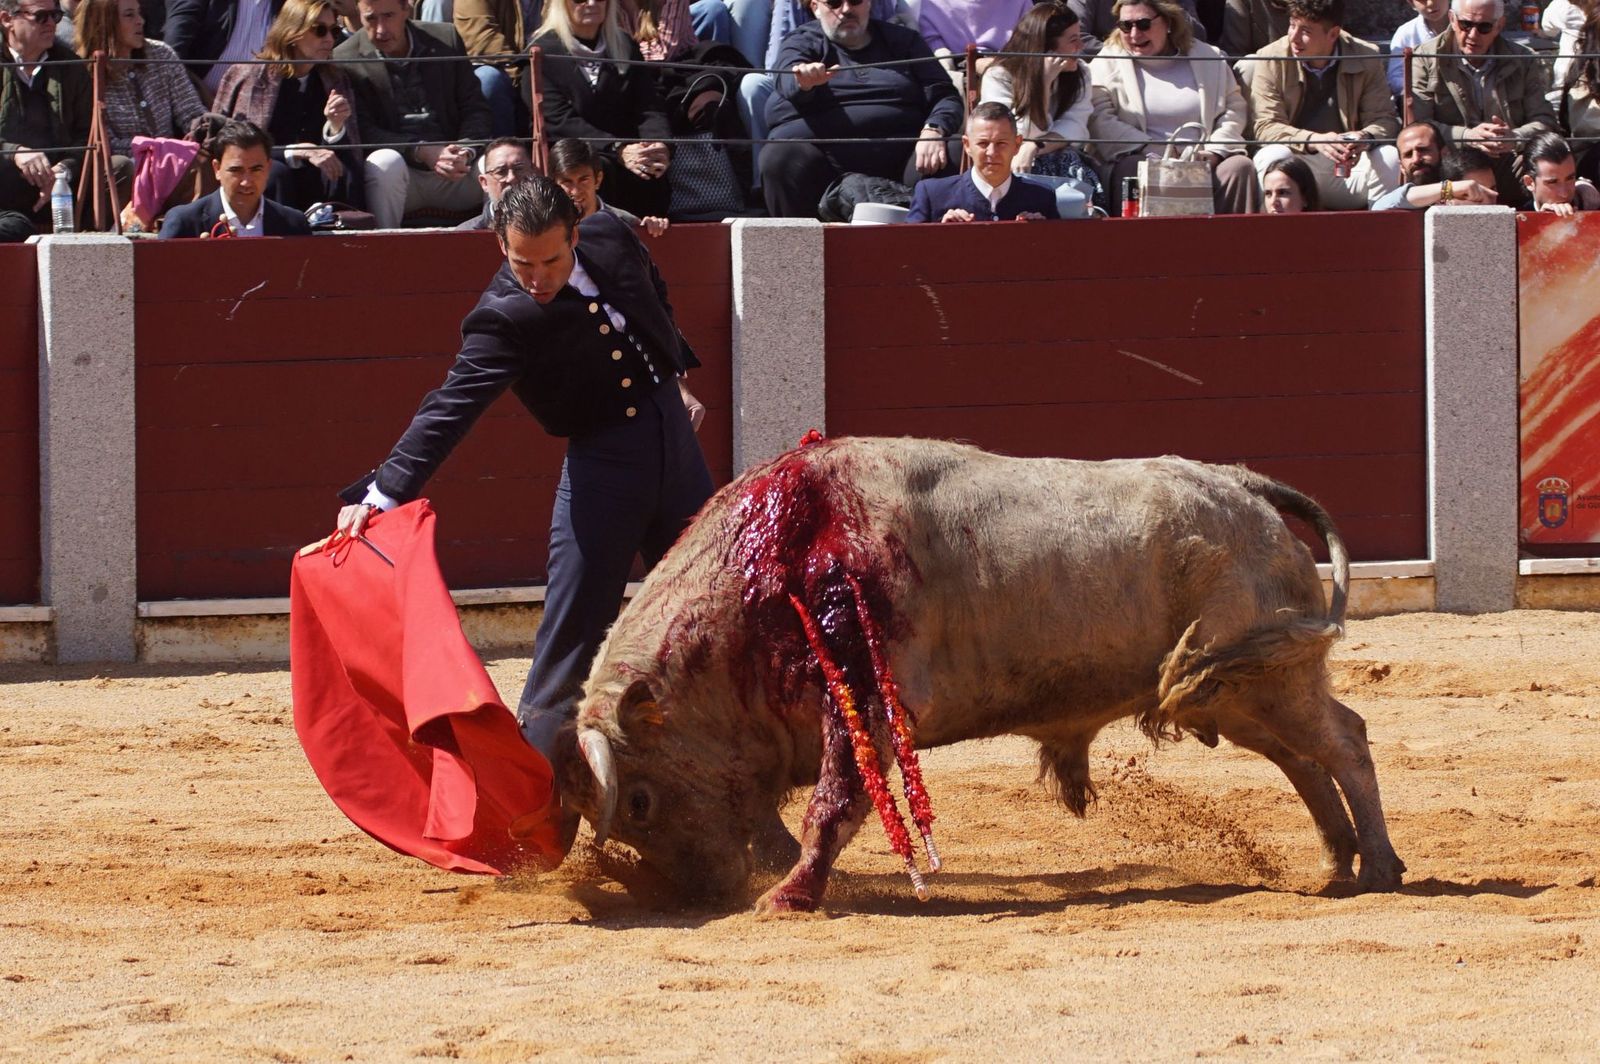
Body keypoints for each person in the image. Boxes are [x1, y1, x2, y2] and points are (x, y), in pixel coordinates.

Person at [333, 176, 712, 761]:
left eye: (551, 261)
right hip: (604, 467)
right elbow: (449, 408)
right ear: (500, 247)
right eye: (522, 263)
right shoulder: (503, 318)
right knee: (571, 642)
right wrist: (382, 496)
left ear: (577, 236)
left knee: (709, 617)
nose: (537, 278)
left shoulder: (611, 233)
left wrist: (674, 370)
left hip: (677, 445)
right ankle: (533, 803)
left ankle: (725, 792)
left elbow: (650, 289)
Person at [761, 0, 962, 219]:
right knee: (779, 156)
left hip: (904, 161)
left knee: (953, 149)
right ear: (815, 7)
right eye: (835, 3)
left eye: (856, 1)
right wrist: (804, 81)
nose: (846, 10)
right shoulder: (802, 41)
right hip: (826, 168)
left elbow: (945, 94)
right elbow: (787, 77)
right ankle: (796, 251)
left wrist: (934, 129)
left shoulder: (903, 40)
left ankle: (936, 247)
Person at [1087, 0, 1258, 214]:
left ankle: (1228, 244)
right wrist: (1150, 149)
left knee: (1239, 167)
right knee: (1132, 168)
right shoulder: (1106, 62)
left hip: (1203, 158)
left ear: (1168, 22)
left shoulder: (1209, 57)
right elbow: (1100, 118)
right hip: (1142, 156)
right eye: (1125, 26)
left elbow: (1233, 108)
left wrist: (1215, 151)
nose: (1133, 34)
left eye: (1143, 24)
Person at [334, 0, 491, 228]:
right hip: (402, 176)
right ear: (358, 13)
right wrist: (420, 150)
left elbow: (475, 106)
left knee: (500, 164)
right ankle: (386, 250)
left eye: (388, 16)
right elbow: (364, 132)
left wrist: (464, 151)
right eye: (371, 18)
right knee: (384, 163)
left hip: (458, 166)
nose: (380, 29)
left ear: (406, 9)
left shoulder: (445, 38)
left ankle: (503, 252)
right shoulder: (345, 58)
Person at [527, 0, 674, 219]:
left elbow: (649, 106)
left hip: (630, 155)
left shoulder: (625, 45)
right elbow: (558, 119)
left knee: (651, 167)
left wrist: (658, 145)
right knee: (597, 170)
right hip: (577, 154)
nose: (592, 3)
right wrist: (617, 148)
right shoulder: (542, 52)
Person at [213, 0, 364, 211]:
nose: (329, 39)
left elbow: (349, 150)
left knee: (345, 170)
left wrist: (335, 127)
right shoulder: (252, 77)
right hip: (271, 174)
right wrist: (294, 151)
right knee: (276, 174)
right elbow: (232, 147)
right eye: (319, 30)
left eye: (334, 30)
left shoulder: (335, 79)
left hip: (315, 179)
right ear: (293, 33)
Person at [1249, 0, 1400, 210]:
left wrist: (1365, 137)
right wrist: (1314, 140)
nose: (1293, 36)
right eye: (1292, 25)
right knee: (1271, 155)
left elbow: (1385, 119)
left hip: (1348, 166)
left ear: (1333, 34)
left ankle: (1382, 234)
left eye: (1306, 31)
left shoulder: (1366, 55)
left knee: (1388, 157)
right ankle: (1273, 236)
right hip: (1297, 166)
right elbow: (1265, 127)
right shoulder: (1270, 57)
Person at [1409, 0, 1558, 205]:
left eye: (1484, 27)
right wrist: (1467, 136)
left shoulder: (1523, 59)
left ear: (1499, 25)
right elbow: (1419, 125)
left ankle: (1545, 223)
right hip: (1451, 159)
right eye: (1466, 25)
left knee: (1551, 158)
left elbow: (1545, 121)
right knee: (1420, 157)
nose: (1472, 35)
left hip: (1507, 159)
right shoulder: (1425, 57)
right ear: (1452, 19)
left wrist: (1514, 137)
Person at [981, 2, 1098, 181]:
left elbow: (1075, 126)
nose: (1081, 46)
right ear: (1046, 47)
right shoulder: (1000, 76)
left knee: (1071, 164)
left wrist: (1034, 146)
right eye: (1073, 40)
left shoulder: (1080, 73)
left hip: (1055, 154)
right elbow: (1012, 132)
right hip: (1009, 157)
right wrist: (1043, 83)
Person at [1, 0, 91, 229]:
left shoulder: (72, 67)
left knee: (119, 167)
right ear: (6, 19)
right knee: (14, 228)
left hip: (57, 188)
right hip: (4, 188)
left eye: (56, 16)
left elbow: (88, 136)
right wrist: (15, 153)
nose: (52, 24)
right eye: (41, 16)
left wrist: (64, 171)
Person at [76, 0, 206, 155]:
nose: (140, 21)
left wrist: (197, 133)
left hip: (173, 160)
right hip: (126, 168)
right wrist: (156, 148)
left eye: (139, 13)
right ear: (104, 22)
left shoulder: (161, 54)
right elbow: (103, 142)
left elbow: (191, 112)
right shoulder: (84, 73)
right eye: (130, 15)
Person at [906, 101, 1060, 221]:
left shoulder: (1041, 198)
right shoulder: (933, 195)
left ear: (1017, 145)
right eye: (983, 144)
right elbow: (905, 253)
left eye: (1001, 144)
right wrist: (942, 233)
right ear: (967, 145)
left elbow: (1059, 256)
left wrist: (1041, 233)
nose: (992, 153)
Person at [158, 120, 317, 234]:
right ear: (217, 169)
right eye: (236, 170)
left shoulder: (294, 225)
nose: (246, 182)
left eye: (256, 170)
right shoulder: (185, 222)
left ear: (268, 168)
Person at [547, 135, 668, 235]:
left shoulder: (626, 223)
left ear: (598, 180)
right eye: (567, 182)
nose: (575, 191)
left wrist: (653, 226)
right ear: (554, 184)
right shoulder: (543, 223)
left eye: (583, 180)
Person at [163, 0, 289, 97]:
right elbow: (171, 58)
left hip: (256, 111)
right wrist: (200, 101)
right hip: (192, 107)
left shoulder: (289, 5)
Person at [1371, 119, 1493, 207]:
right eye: (1408, 154)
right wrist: (1448, 189)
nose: (1416, 159)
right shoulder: (1400, 200)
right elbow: (1379, 207)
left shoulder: (1465, 182)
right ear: (1401, 167)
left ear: (1444, 153)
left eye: (1423, 150)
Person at [452, 0, 530, 136]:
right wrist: (526, 74)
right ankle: (500, 151)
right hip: (507, 67)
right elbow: (483, 39)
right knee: (488, 79)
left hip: (548, 64)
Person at [1070, 0, 1204, 56]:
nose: (1134, 34)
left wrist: (1169, 6)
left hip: (1170, 66)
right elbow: (1077, 37)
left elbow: (1199, 35)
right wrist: (1122, 55)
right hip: (1113, 70)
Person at [455, 134, 532, 228]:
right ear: (484, 183)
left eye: (519, 169)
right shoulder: (465, 234)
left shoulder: (552, 228)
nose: (511, 178)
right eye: (501, 172)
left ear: (533, 173)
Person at [1520, 131, 1600, 214]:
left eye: (1570, 179)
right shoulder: (1518, 219)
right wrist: (1543, 222)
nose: (1564, 194)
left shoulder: (1591, 206)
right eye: (1553, 182)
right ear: (1529, 183)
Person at [1388, 0, 1450, 96]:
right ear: (1412, 4)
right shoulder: (1406, 33)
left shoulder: (1469, 27)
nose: (1430, 3)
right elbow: (1395, 77)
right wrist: (1420, 90)